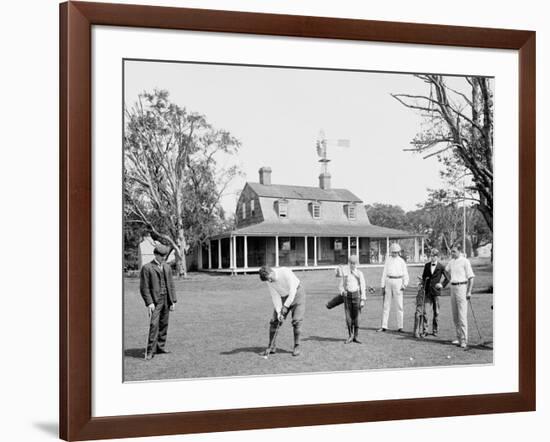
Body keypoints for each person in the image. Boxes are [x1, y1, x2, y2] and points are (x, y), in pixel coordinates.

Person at [139, 244, 177, 360]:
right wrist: (149, 302)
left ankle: (160, 347)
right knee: (154, 325)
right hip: (155, 301)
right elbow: (144, 288)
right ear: (155, 254)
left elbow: (171, 285)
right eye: (161, 256)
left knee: (164, 324)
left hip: (166, 299)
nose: (163, 258)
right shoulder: (147, 267)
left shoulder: (167, 267)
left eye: (164, 256)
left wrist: (173, 301)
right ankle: (150, 351)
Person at [259, 266, 306, 357]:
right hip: (283, 297)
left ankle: (297, 346)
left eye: (269, 279)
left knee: (296, 321)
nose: (270, 281)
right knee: (274, 321)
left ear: (271, 272)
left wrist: (285, 306)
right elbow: (275, 296)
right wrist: (279, 311)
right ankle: (271, 347)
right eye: (268, 280)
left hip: (297, 294)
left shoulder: (285, 272)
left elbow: (292, 292)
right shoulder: (269, 281)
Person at [415, 248, 449, 338]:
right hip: (427, 292)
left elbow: (448, 278)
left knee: (436, 312)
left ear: (437, 257)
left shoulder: (441, 266)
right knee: (425, 312)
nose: (432, 257)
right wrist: (421, 283)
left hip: (436, 293)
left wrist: (442, 284)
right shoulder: (426, 266)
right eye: (431, 256)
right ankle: (425, 330)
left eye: (434, 256)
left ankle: (435, 330)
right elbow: (424, 278)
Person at [445, 246, 475, 348]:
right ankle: (458, 338)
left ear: (459, 251)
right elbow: (445, 271)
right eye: (451, 252)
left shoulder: (465, 261)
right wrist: (448, 279)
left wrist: (469, 291)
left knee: (462, 316)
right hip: (453, 288)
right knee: (455, 316)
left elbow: (471, 277)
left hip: (462, 287)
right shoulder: (451, 262)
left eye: (454, 252)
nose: (452, 253)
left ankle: (464, 340)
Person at [377, 243, 409, 332]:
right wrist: (382, 286)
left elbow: (406, 274)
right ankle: (384, 326)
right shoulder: (388, 260)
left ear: (398, 252)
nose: (394, 254)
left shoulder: (401, 261)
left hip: (398, 281)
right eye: (393, 252)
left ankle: (400, 326)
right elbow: (384, 273)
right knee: (386, 305)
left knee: (399, 305)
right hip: (388, 281)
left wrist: (404, 284)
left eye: (396, 252)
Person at [335, 255, 367, 344]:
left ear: (357, 264)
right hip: (347, 297)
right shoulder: (346, 274)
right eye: (351, 263)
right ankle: (350, 335)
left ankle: (356, 336)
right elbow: (341, 286)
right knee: (348, 317)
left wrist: (363, 300)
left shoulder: (360, 274)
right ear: (349, 264)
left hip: (357, 296)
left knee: (357, 317)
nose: (352, 265)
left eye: (354, 263)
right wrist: (342, 292)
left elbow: (363, 287)